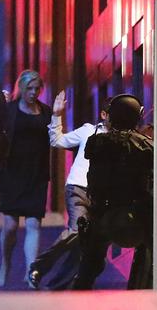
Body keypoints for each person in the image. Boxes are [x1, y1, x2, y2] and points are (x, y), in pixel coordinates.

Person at [27, 91, 109, 290]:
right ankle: (38, 266)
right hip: (78, 188)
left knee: (85, 243)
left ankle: (55, 286)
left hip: (102, 196)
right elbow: (57, 141)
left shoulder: (125, 139)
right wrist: (56, 115)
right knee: (76, 231)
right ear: (104, 114)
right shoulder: (88, 131)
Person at [73, 94, 153, 290]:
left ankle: (77, 296)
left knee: (88, 267)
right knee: (154, 253)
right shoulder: (145, 145)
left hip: (102, 212)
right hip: (136, 213)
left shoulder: (97, 142)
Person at [0, 69, 52, 288]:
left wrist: (60, 114)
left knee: (34, 224)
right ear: (21, 89)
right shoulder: (9, 110)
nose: (33, 93)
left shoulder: (46, 112)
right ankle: (5, 264)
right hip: (12, 173)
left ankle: (31, 273)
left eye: (37, 89)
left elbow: (55, 136)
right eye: (29, 89)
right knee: (11, 225)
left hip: (36, 174)